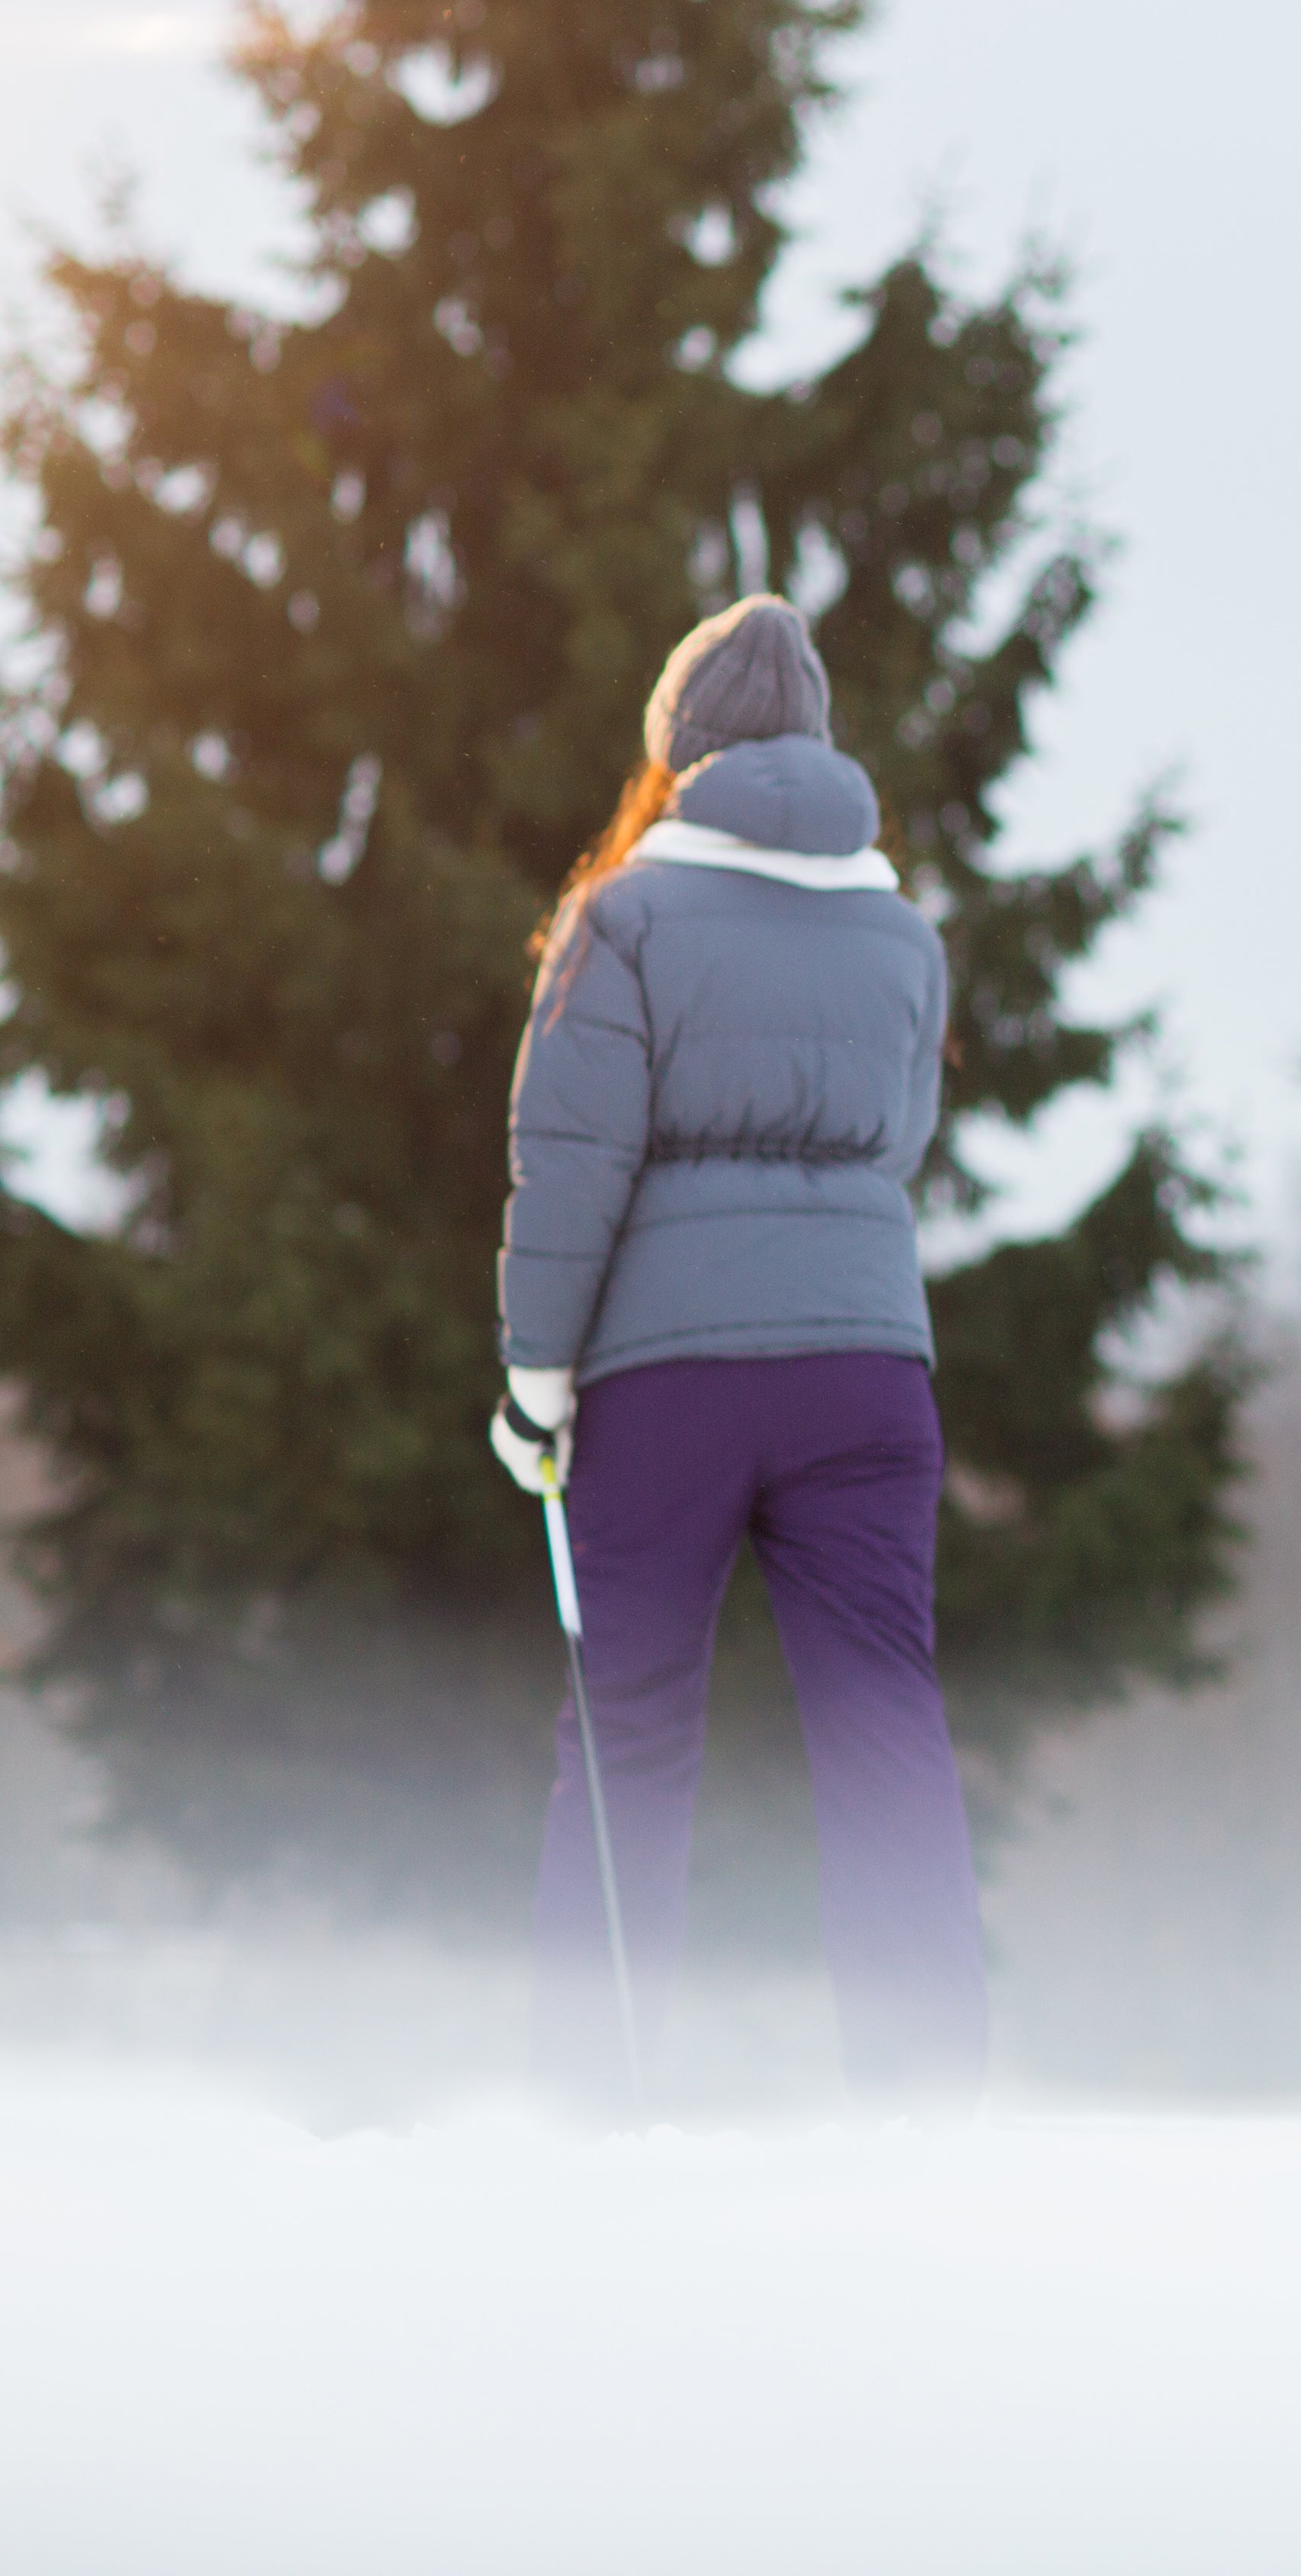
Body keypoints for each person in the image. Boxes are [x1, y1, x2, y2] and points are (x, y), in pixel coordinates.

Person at [489, 595, 983, 2101]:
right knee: (883, 1717)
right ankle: (924, 2089)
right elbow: (895, 1138)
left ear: (679, 752)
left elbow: (570, 1160)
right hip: (864, 1371)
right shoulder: (900, 932)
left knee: (632, 1730)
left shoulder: (621, 918)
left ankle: (589, 2087)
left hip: (667, 1380)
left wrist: (534, 1380)